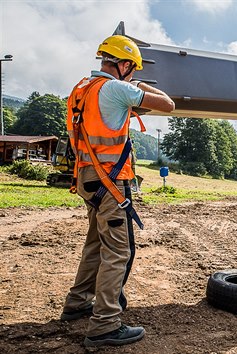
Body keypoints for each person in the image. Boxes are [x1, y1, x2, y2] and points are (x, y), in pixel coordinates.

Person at [61, 35, 174, 348]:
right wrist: (138, 85)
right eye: (131, 67)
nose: (132, 72)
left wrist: (130, 82)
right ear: (124, 65)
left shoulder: (81, 89)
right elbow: (168, 104)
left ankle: (78, 302)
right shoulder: (117, 88)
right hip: (111, 182)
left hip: (87, 177)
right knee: (119, 251)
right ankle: (105, 323)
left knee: (96, 243)